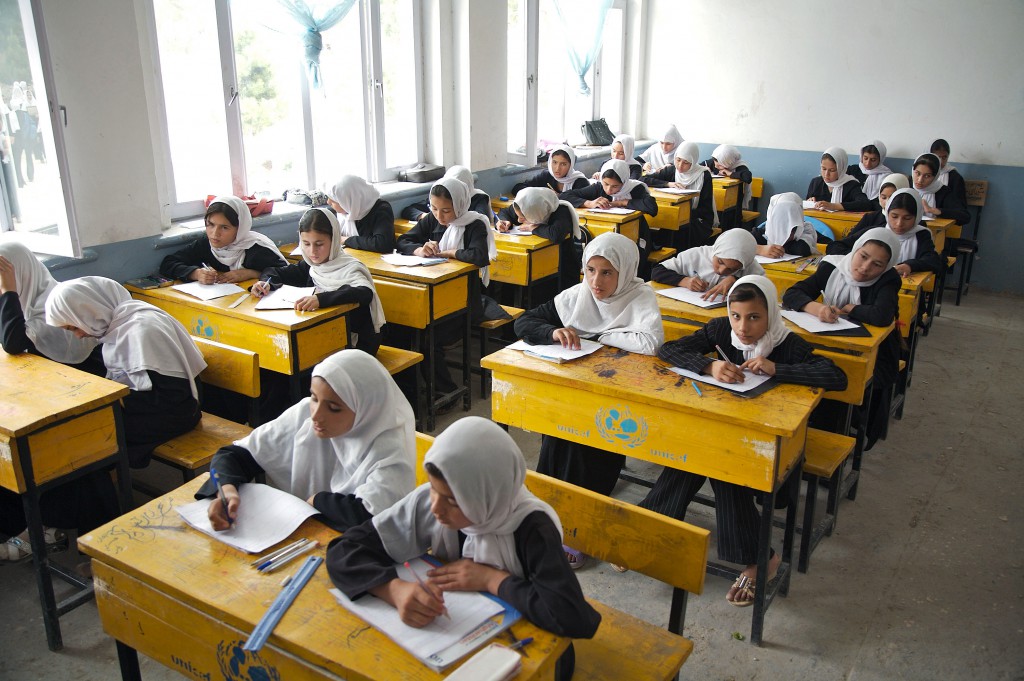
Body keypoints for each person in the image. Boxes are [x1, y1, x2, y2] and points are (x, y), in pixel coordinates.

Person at [326, 416, 601, 681]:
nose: (436, 508)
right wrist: (393, 590)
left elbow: (571, 617)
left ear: (484, 495)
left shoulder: (531, 527)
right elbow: (345, 549)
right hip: (453, 645)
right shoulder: (431, 503)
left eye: (453, 501)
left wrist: (491, 580)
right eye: (433, 488)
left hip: (533, 654)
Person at [641, 276, 847, 605]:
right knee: (702, 454)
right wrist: (708, 365)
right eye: (736, 315)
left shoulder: (788, 344)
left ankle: (650, 532)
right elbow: (669, 349)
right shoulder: (721, 330)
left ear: (770, 315)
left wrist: (777, 368)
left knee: (716, 461)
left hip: (775, 445)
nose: (743, 327)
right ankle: (754, 556)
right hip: (726, 432)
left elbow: (836, 376)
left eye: (754, 317)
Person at [514, 232, 663, 568]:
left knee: (589, 448)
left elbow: (651, 342)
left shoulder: (639, 297)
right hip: (578, 386)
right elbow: (524, 322)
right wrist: (553, 331)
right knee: (557, 434)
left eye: (607, 272)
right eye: (591, 270)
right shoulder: (578, 295)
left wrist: (597, 335)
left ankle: (579, 527)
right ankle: (548, 513)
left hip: (618, 397)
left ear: (625, 271)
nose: (596, 282)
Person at [197, 349, 415, 532]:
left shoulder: (389, 451)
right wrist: (227, 490)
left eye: (334, 408)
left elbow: (369, 515)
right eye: (314, 397)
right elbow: (234, 455)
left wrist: (316, 500)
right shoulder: (304, 416)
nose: (316, 415)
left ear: (366, 410)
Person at [0, 244, 114, 562]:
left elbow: (13, 344)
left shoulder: (55, 304)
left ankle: (48, 527)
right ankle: (26, 523)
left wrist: (8, 292)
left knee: (50, 451)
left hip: (89, 400)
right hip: (50, 396)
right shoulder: (23, 304)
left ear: (21, 273)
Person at [45, 276, 205, 468]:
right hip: (154, 408)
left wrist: (117, 400)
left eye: (74, 327)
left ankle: (108, 481)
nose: (78, 335)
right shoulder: (120, 325)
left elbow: (173, 395)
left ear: (90, 311)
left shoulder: (143, 329)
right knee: (87, 429)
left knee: (91, 435)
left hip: (178, 413)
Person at [782, 228, 902, 450]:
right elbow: (791, 294)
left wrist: (850, 308)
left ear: (886, 267)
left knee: (849, 378)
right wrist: (817, 308)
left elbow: (882, 315)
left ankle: (845, 432)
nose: (865, 268)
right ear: (855, 249)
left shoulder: (889, 279)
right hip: (829, 342)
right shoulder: (832, 266)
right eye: (863, 256)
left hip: (876, 353)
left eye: (877, 264)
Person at [396, 177, 495, 400]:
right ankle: (410, 392)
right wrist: (419, 250)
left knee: (427, 338)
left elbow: (480, 256)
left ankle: (445, 392)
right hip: (434, 297)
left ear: (459, 205)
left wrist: (450, 253)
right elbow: (403, 241)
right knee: (402, 331)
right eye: (433, 208)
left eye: (446, 211)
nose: (439, 216)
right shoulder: (432, 219)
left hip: (465, 305)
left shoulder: (475, 224)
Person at [253, 207, 385, 355]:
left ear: (334, 240)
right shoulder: (312, 266)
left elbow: (364, 292)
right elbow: (273, 271)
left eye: (319, 244)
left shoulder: (349, 267)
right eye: (306, 244)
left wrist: (320, 299)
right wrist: (266, 283)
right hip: (324, 337)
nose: (312, 252)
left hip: (356, 345)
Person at [561, 159, 658, 274]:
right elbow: (564, 196)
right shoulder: (599, 188)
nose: (609, 190)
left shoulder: (635, 188)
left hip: (637, 235)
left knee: (628, 264)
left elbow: (652, 207)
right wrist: (588, 203)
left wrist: (622, 202)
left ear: (624, 182)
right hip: (603, 237)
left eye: (615, 186)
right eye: (606, 184)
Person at [160, 195, 286, 283]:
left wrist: (250, 273)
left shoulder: (256, 249)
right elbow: (168, 263)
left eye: (224, 227)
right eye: (210, 224)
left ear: (240, 228)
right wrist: (196, 273)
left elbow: (285, 273)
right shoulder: (206, 244)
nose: (215, 233)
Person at [495, 187, 581, 292]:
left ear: (536, 211)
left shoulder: (561, 210)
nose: (519, 220)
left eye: (523, 217)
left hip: (562, 269)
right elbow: (504, 212)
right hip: (537, 264)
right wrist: (503, 221)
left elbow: (556, 234)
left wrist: (534, 228)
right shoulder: (525, 206)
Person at [651, 227, 765, 301]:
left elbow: (764, 290)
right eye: (720, 262)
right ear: (716, 249)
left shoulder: (750, 267)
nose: (722, 270)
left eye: (731, 269)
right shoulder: (696, 255)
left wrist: (737, 280)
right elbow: (657, 271)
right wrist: (685, 281)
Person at [641, 140, 718, 248]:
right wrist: (667, 184)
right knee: (663, 228)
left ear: (693, 161)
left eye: (686, 163)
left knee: (681, 230)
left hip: (698, 218)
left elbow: (706, 209)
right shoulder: (672, 170)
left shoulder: (703, 175)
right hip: (675, 217)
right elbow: (643, 179)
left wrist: (683, 214)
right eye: (678, 160)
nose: (680, 166)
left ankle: (680, 255)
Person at [826, 173, 910, 253]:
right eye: (883, 197)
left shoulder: (911, 227)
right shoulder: (870, 218)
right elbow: (842, 244)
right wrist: (860, 256)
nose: (887, 202)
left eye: (893, 197)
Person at [323, 175, 396, 253]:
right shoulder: (344, 213)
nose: (328, 202)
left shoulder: (381, 209)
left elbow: (382, 244)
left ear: (348, 201)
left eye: (333, 201)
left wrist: (347, 240)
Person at [806, 146, 874, 212]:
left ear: (841, 169)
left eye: (832, 170)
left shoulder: (851, 185)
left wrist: (834, 206)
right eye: (823, 169)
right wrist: (809, 202)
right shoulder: (816, 182)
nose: (826, 174)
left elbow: (865, 204)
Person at [911, 153, 971, 225]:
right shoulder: (907, 186)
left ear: (935, 176)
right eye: (917, 173)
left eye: (927, 176)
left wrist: (935, 210)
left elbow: (965, 216)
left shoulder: (943, 192)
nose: (920, 180)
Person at [753, 192, 818, 257]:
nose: (783, 235)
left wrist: (776, 247)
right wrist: (760, 249)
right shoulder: (764, 233)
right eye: (779, 228)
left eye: (789, 230)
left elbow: (802, 249)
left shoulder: (805, 232)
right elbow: (746, 243)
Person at [511, 144, 589, 195]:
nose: (557, 168)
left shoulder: (580, 182)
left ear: (571, 165)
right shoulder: (547, 176)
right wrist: (540, 193)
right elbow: (517, 188)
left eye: (563, 164)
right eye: (554, 162)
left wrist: (559, 197)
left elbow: (583, 202)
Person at [701, 144, 753, 210]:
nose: (716, 166)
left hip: (734, 205)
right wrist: (704, 169)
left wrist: (730, 173)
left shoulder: (739, 166)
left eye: (720, 165)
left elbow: (748, 177)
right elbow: (699, 166)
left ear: (728, 161)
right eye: (715, 162)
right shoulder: (716, 161)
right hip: (715, 199)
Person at [930, 138, 968, 206]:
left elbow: (960, 206)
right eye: (938, 157)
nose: (941, 161)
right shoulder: (924, 173)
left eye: (944, 157)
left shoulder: (955, 178)